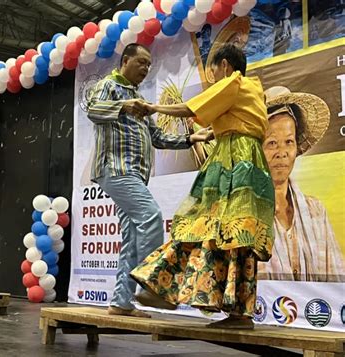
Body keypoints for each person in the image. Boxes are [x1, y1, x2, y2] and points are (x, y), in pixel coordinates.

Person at [131, 44, 274, 329]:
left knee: (211, 225)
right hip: (244, 159)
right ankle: (235, 312)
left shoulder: (233, 82)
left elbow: (189, 108)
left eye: (214, 71)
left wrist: (152, 107)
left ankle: (167, 289)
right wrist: (210, 132)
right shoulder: (252, 89)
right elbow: (237, 121)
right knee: (229, 233)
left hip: (236, 161)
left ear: (224, 66)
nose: (214, 78)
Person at [87, 43, 213, 318]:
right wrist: (123, 106)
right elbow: (93, 111)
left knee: (132, 237)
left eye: (148, 65)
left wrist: (193, 138)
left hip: (134, 174)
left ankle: (121, 302)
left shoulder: (139, 98)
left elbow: (158, 138)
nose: (145, 69)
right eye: (140, 62)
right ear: (125, 61)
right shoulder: (110, 85)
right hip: (116, 169)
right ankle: (154, 285)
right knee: (151, 217)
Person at [258, 86, 344, 282]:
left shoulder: (315, 211)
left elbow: (336, 278)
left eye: (289, 142)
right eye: (271, 143)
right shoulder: (245, 213)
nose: (282, 152)